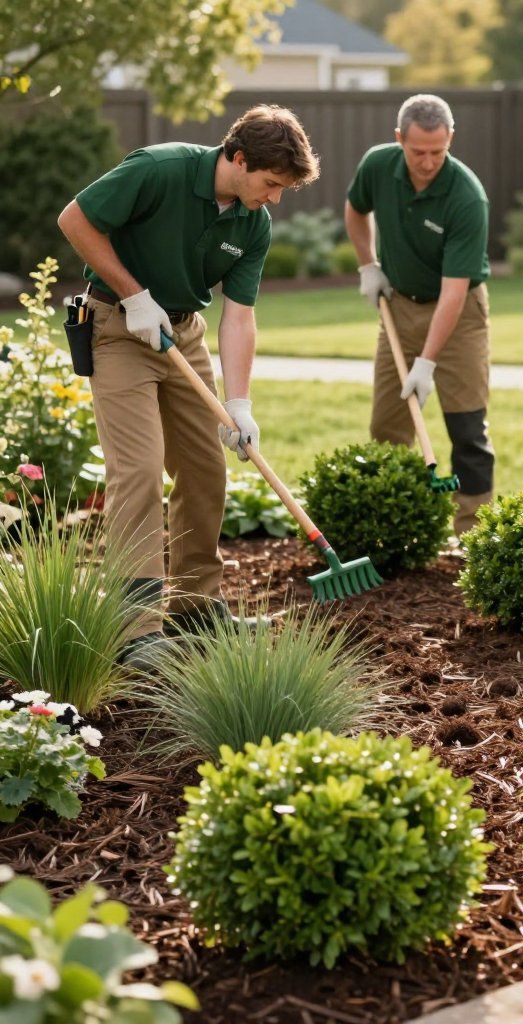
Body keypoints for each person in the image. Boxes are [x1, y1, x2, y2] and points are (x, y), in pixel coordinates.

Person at [57, 105, 319, 670]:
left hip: (183, 333)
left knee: (205, 466)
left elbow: (239, 316)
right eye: (271, 184)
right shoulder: (158, 169)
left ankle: (195, 607)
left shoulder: (253, 223)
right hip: (118, 328)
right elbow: (75, 220)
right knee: (141, 468)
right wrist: (131, 294)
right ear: (239, 158)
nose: (274, 198)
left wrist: (240, 403)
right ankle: (134, 629)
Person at [344, 93, 494, 537]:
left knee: (466, 429)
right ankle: (396, 529)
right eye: (418, 152)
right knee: (386, 425)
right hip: (398, 305)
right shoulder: (378, 165)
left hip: (459, 314)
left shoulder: (467, 196)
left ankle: (471, 535)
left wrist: (426, 362)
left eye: (438, 151)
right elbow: (355, 211)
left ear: (450, 139)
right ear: (399, 139)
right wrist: (368, 265)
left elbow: (453, 293)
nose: (428, 162)